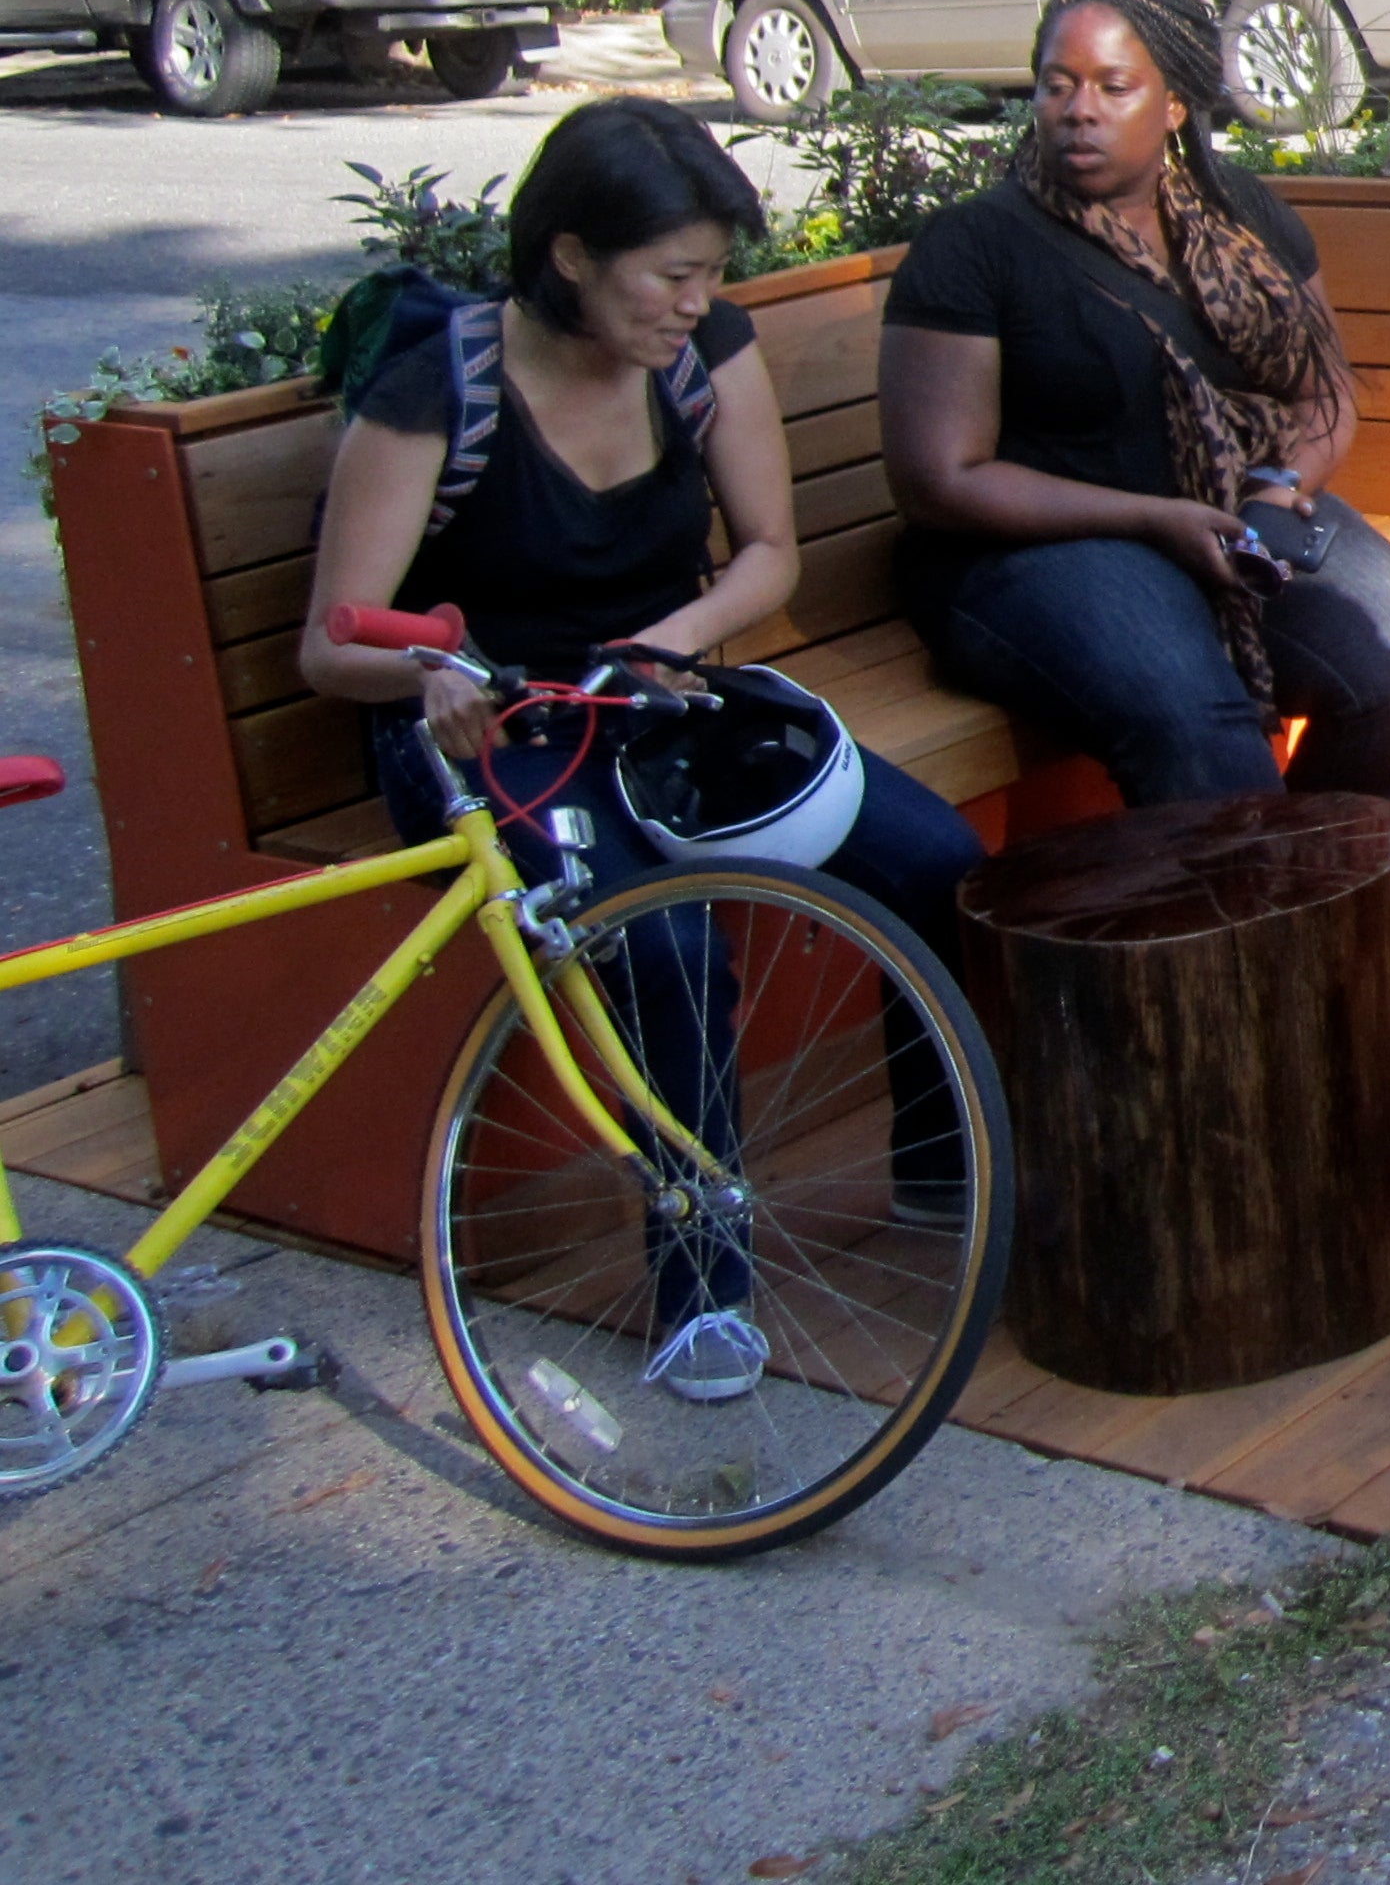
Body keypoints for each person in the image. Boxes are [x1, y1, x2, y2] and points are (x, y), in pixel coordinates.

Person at [295, 94, 990, 1403]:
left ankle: (944, 1158)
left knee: (936, 856)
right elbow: (332, 650)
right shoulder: (436, 386)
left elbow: (768, 559)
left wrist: (667, 641)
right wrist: (434, 662)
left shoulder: (702, 354)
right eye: (674, 274)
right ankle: (703, 1293)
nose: (699, 301)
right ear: (570, 255)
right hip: (487, 731)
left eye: (712, 274)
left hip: (655, 700)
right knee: (668, 944)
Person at [882, 0, 1390, 814]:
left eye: (1113, 87)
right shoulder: (976, 246)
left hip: (1230, 517)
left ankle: (1314, 891)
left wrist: (1280, 487)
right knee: (1202, 725)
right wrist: (1153, 518)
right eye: (1058, 85)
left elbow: (1325, 394)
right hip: (1035, 556)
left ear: (1172, 105)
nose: (1078, 109)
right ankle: (1251, 927)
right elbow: (940, 481)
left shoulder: (1239, 215)